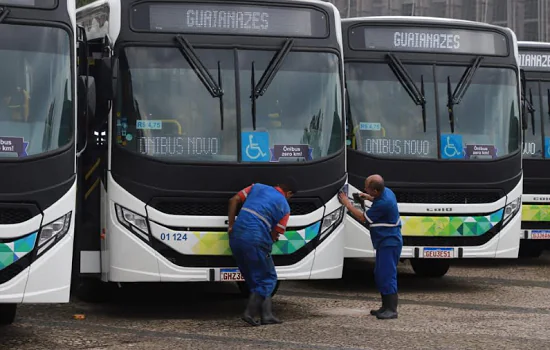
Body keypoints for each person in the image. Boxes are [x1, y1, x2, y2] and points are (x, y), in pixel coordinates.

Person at [227, 177, 298, 326]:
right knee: (269, 279)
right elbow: (276, 233)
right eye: (291, 196)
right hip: (256, 240)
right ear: (288, 193)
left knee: (255, 280)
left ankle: (267, 315)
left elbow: (233, 200)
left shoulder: (256, 187)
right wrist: (270, 240)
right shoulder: (284, 206)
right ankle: (249, 313)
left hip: (236, 237)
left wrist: (231, 225)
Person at [338, 174, 403, 320]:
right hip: (385, 242)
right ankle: (385, 306)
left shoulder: (383, 204)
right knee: (381, 273)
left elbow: (363, 218)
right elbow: (377, 199)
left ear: (375, 190)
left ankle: (391, 309)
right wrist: (367, 197)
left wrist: (347, 204)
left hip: (389, 242)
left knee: (387, 274)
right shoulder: (387, 192)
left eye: (367, 188)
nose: (364, 189)